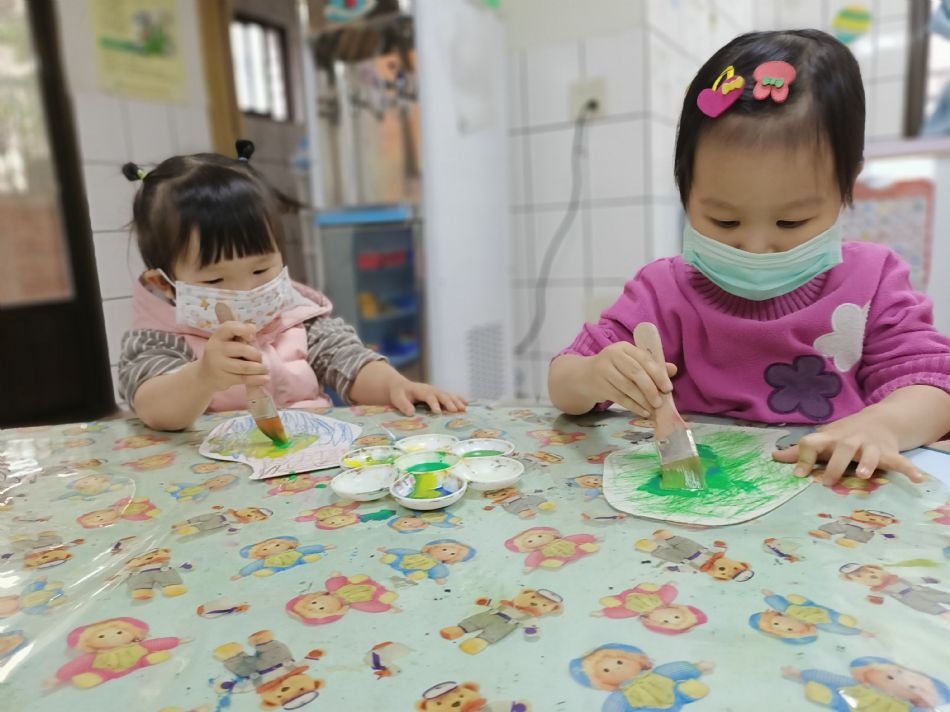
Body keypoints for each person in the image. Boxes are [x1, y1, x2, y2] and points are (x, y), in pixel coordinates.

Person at [548, 30, 950, 484]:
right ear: (684, 186)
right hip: (700, 500)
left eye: (791, 222)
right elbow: (564, 381)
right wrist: (593, 376)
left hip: (826, 503)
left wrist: (884, 425)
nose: (756, 247)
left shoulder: (873, 281)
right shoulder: (663, 291)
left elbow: (933, 385)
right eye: (724, 221)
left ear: (848, 183)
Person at [117, 141, 464, 430]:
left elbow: (348, 360)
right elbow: (152, 408)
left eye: (261, 269)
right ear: (164, 284)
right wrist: (203, 377)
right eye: (215, 279)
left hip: (310, 461)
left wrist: (396, 386)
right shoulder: (159, 338)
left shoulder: (295, 315)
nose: (246, 291)